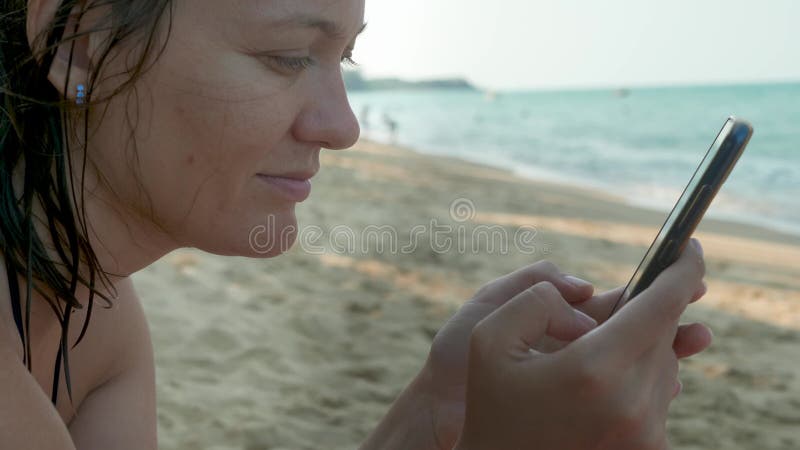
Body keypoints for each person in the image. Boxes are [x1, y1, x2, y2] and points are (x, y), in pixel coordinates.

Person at [0, 0, 712, 449]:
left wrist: (438, 410)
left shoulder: (101, 312)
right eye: (286, 57)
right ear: (81, 43)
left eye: (343, 58)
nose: (343, 127)